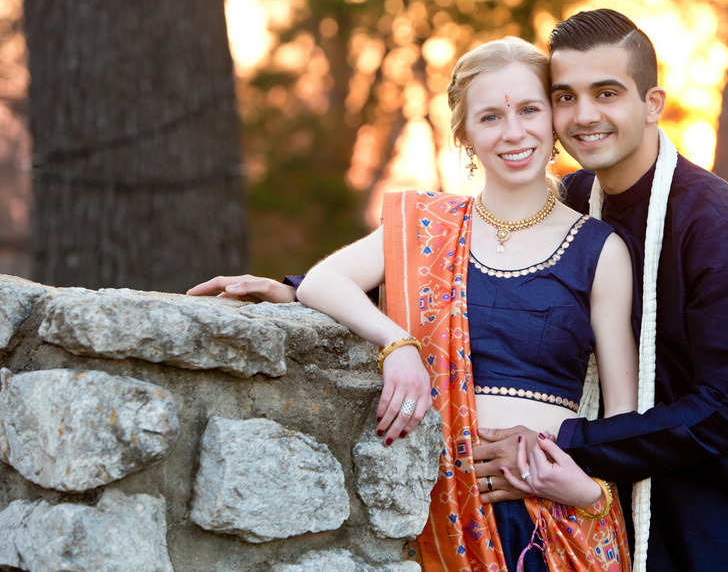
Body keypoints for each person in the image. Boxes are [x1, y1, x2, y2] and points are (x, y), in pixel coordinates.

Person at [190, 36, 639, 571]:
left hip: (553, 522)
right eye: (490, 117)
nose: (513, 132)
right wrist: (397, 344)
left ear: (554, 118)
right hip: (436, 514)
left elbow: (626, 425)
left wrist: (585, 492)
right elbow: (325, 280)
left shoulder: (600, 250)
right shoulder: (429, 228)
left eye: (529, 110)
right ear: (465, 135)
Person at [473, 9, 728, 571]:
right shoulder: (570, 203)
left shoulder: (721, 231)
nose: (584, 115)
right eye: (565, 97)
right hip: (623, 517)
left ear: (652, 103)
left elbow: (721, 411)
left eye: (606, 93)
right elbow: (479, 248)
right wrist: (377, 328)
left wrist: (559, 443)